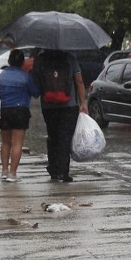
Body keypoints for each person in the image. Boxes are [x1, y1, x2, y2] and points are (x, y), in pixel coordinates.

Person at [34, 47, 89, 182]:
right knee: (65, 138)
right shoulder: (70, 58)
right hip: (69, 106)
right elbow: (79, 81)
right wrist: (83, 102)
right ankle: (63, 172)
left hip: (48, 106)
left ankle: (53, 169)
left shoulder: (41, 59)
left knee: (53, 136)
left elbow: (35, 81)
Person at [0, 49, 43, 182]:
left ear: (9, 61)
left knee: (5, 142)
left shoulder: (0, 75)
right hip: (19, 111)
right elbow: (36, 93)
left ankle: (4, 171)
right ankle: (12, 173)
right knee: (17, 143)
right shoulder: (26, 77)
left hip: (2, 111)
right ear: (22, 62)